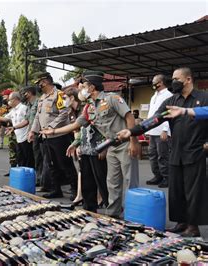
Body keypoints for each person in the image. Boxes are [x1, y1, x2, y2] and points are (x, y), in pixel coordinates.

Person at [118, 67, 208, 237]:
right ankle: (181, 222)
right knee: (177, 190)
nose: (173, 81)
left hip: (195, 152)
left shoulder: (203, 98)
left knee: (193, 192)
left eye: (176, 78)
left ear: (188, 80)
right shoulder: (172, 100)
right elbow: (154, 120)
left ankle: (193, 226)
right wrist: (132, 131)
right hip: (176, 151)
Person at [41, 70, 140, 218]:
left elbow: (129, 117)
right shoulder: (89, 107)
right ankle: (113, 214)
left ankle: (136, 215)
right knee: (112, 183)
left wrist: (133, 141)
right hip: (111, 146)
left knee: (130, 182)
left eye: (83, 86)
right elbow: (76, 124)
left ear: (92, 87)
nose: (81, 89)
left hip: (125, 144)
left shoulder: (113, 99)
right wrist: (53, 131)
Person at [28, 72, 78, 200]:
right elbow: (38, 117)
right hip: (46, 137)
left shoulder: (59, 95)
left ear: (45, 82)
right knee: (51, 165)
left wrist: (51, 127)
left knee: (65, 164)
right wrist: (33, 132)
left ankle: (75, 190)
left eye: (39, 83)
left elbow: (65, 113)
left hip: (59, 136)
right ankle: (56, 189)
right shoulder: (42, 98)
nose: (39, 85)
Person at [65, 86, 109, 212]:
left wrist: (105, 146)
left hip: (97, 148)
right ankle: (89, 208)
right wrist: (76, 143)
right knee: (87, 182)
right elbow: (82, 130)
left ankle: (111, 209)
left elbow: (106, 128)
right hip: (85, 149)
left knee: (102, 181)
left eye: (83, 87)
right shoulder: (85, 107)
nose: (81, 91)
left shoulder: (102, 104)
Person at [0, 92, 34, 167]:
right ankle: (22, 176)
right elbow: (5, 118)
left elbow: (27, 121)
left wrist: (14, 127)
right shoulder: (13, 110)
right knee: (21, 159)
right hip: (19, 138)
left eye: (10, 100)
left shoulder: (23, 108)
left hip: (26, 138)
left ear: (15, 100)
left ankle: (30, 177)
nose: (8, 102)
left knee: (28, 160)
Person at [145, 74, 173, 188]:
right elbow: (151, 114)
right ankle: (157, 176)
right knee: (152, 155)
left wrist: (165, 130)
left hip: (162, 130)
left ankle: (167, 177)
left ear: (160, 82)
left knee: (163, 155)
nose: (152, 83)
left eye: (154, 81)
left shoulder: (169, 95)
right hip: (152, 130)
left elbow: (168, 113)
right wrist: (146, 129)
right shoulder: (154, 96)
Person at [22, 85, 43, 185]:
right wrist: (14, 127)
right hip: (32, 134)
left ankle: (41, 179)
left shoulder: (39, 102)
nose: (24, 95)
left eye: (25, 93)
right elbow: (27, 120)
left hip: (39, 134)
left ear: (29, 93)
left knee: (40, 158)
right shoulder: (29, 105)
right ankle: (39, 178)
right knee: (36, 157)